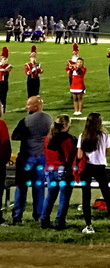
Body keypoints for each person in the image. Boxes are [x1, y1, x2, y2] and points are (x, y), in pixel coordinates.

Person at [8, 96, 53, 226]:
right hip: (42, 157)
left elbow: (15, 136)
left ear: (36, 106)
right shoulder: (49, 119)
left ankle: (17, 216)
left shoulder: (26, 120)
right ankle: (38, 215)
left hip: (27, 158)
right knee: (38, 187)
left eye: (28, 105)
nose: (26, 107)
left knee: (22, 187)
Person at [77, 113, 110, 234]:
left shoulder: (82, 136)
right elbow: (108, 152)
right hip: (100, 167)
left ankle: (89, 225)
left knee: (86, 196)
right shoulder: (104, 135)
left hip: (87, 168)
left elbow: (79, 155)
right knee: (106, 194)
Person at [41, 115, 76, 230]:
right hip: (62, 171)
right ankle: (59, 222)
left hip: (49, 170)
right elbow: (69, 157)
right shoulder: (67, 139)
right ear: (66, 125)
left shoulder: (48, 137)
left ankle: (44, 220)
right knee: (64, 198)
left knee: (50, 196)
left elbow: (45, 153)